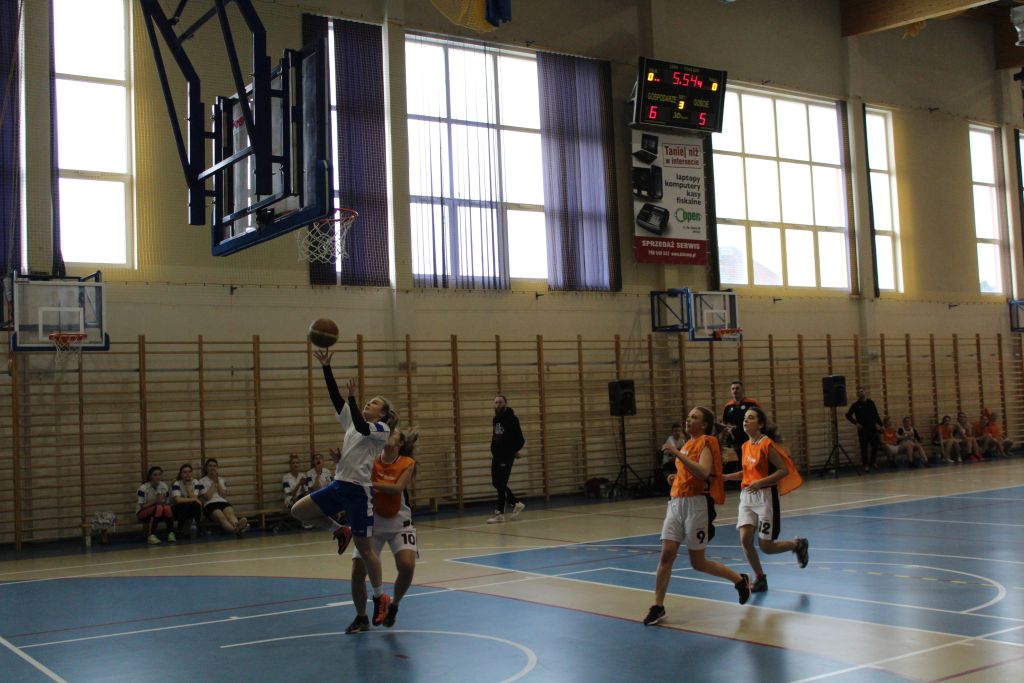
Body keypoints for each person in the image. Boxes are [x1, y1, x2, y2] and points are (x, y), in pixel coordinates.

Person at [290, 348, 397, 627]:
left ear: (383, 413)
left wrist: (352, 398)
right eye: (367, 401)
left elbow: (362, 426)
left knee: (365, 550)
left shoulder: (381, 430)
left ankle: (380, 597)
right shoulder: (352, 419)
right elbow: (336, 398)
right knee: (299, 511)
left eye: (374, 403)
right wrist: (326, 367)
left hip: (359, 492)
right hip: (339, 485)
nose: (368, 403)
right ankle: (339, 530)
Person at [642, 407, 751, 626]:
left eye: (694, 417)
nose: (688, 419)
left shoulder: (707, 442)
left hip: (697, 505)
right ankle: (658, 606)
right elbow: (689, 473)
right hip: (676, 502)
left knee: (698, 563)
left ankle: (739, 580)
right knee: (666, 554)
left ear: (704, 425)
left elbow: (703, 472)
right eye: (689, 416)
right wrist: (676, 477)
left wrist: (676, 453)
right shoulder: (687, 444)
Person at [723, 406, 808, 593]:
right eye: (745, 418)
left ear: (760, 424)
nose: (746, 420)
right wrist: (727, 477)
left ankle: (798, 544)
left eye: (751, 418)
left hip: (765, 497)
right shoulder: (745, 446)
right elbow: (747, 473)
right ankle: (760, 578)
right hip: (747, 496)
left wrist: (760, 482)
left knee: (766, 547)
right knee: (745, 540)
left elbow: (783, 470)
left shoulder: (766, 444)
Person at [347, 428, 420, 634]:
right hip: (373, 522)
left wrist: (370, 483)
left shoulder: (407, 463)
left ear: (400, 442)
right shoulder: (371, 459)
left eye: (393, 432)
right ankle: (361, 617)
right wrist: (341, 462)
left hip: (399, 523)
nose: (388, 433)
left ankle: (394, 605)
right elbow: (351, 473)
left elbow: (397, 489)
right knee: (357, 571)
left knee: (407, 566)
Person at [488, 395, 526, 524]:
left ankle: (499, 514)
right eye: (496, 402)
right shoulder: (495, 419)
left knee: (501, 483)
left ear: (505, 403)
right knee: (496, 483)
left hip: (506, 456)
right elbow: (497, 437)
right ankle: (516, 503)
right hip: (497, 455)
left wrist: (512, 450)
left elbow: (520, 439)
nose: (497, 404)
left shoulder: (512, 419)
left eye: (500, 402)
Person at [195, 458, 249, 537]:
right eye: (210, 466)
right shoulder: (200, 481)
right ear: (206, 468)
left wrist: (217, 482)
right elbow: (208, 497)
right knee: (222, 517)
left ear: (217, 468)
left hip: (222, 502)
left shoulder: (221, 480)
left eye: (214, 466)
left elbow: (223, 495)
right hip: (210, 504)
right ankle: (236, 530)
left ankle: (237, 526)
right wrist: (213, 483)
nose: (212, 468)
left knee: (230, 515)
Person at [720, 380, 761, 468]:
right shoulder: (728, 406)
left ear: (743, 390)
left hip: (751, 438)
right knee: (741, 461)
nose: (735, 390)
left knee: (753, 460)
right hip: (736, 440)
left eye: (737, 388)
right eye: (733, 389)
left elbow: (761, 419)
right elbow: (724, 423)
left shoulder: (752, 403)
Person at [845, 386, 883, 472]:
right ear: (857, 394)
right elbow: (848, 415)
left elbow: (876, 415)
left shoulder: (871, 402)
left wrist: (881, 425)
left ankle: (873, 462)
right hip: (863, 429)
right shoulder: (855, 405)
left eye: (862, 391)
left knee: (875, 446)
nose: (860, 393)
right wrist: (856, 423)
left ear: (865, 392)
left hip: (872, 428)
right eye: (858, 392)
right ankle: (865, 465)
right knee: (864, 448)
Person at [137, 466, 175, 544]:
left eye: (159, 474)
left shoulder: (164, 486)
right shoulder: (143, 488)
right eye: (155, 475)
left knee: (167, 508)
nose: (158, 477)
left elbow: (167, 502)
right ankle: (151, 536)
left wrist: (163, 501)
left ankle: (171, 533)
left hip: (159, 511)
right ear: (150, 476)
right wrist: (155, 501)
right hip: (142, 512)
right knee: (158, 507)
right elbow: (142, 506)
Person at [275, 456, 311, 532]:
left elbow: (306, 492)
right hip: (290, 500)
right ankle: (303, 521)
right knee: (296, 500)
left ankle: (306, 521)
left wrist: (303, 486)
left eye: (297, 463)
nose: (295, 464)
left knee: (306, 498)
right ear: (290, 465)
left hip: (300, 498)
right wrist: (299, 484)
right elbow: (290, 494)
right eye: (293, 463)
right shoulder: (286, 477)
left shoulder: (303, 476)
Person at [170, 463, 203, 538]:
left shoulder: (195, 482)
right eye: (185, 472)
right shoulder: (177, 483)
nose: (187, 474)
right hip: (176, 508)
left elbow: (195, 497)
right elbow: (178, 500)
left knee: (196, 505)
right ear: (181, 474)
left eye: (189, 472)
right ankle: (180, 528)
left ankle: (197, 527)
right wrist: (194, 499)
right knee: (186, 506)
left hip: (189, 506)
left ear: (192, 473)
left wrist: (188, 487)